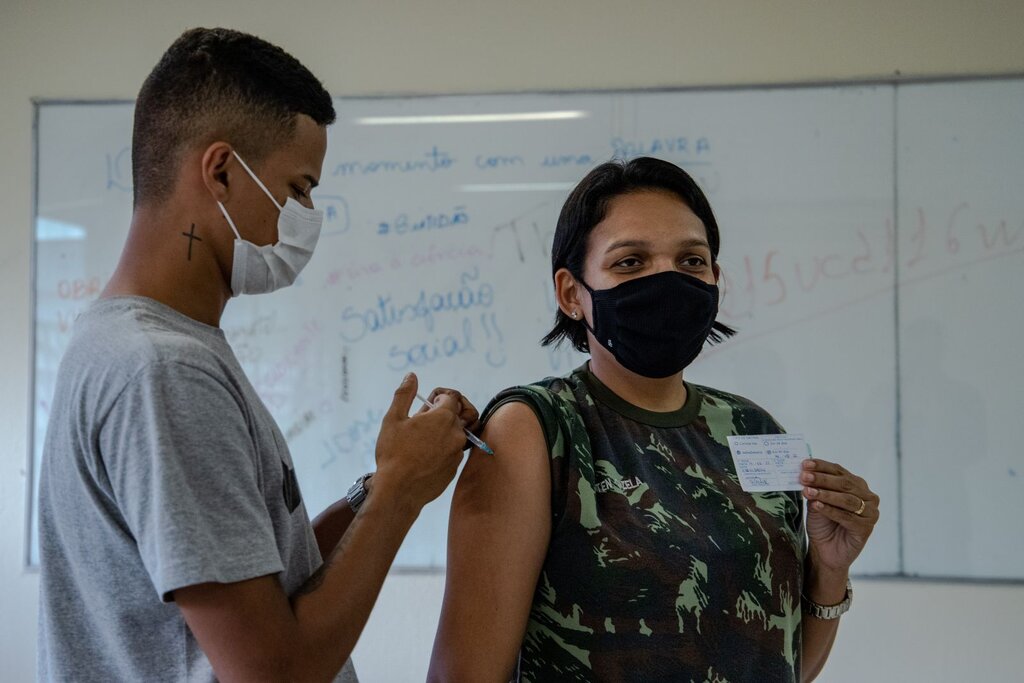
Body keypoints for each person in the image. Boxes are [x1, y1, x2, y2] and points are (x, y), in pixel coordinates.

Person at [37, 28, 475, 683]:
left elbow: (270, 585)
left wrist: (380, 486)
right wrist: (402, 497)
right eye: (298, 189)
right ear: (220, 172)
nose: (306, 216)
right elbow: (276, 670)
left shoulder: (144, 345)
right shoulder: (163, 371)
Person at [428, 157, 880, 682]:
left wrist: (829, 569)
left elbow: (782, 664)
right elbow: (462, 676)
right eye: (630, 263)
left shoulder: (752, 429)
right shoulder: (536, 429)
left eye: (691, 261)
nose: (667, 281)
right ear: (571, 293)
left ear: (716, 279)